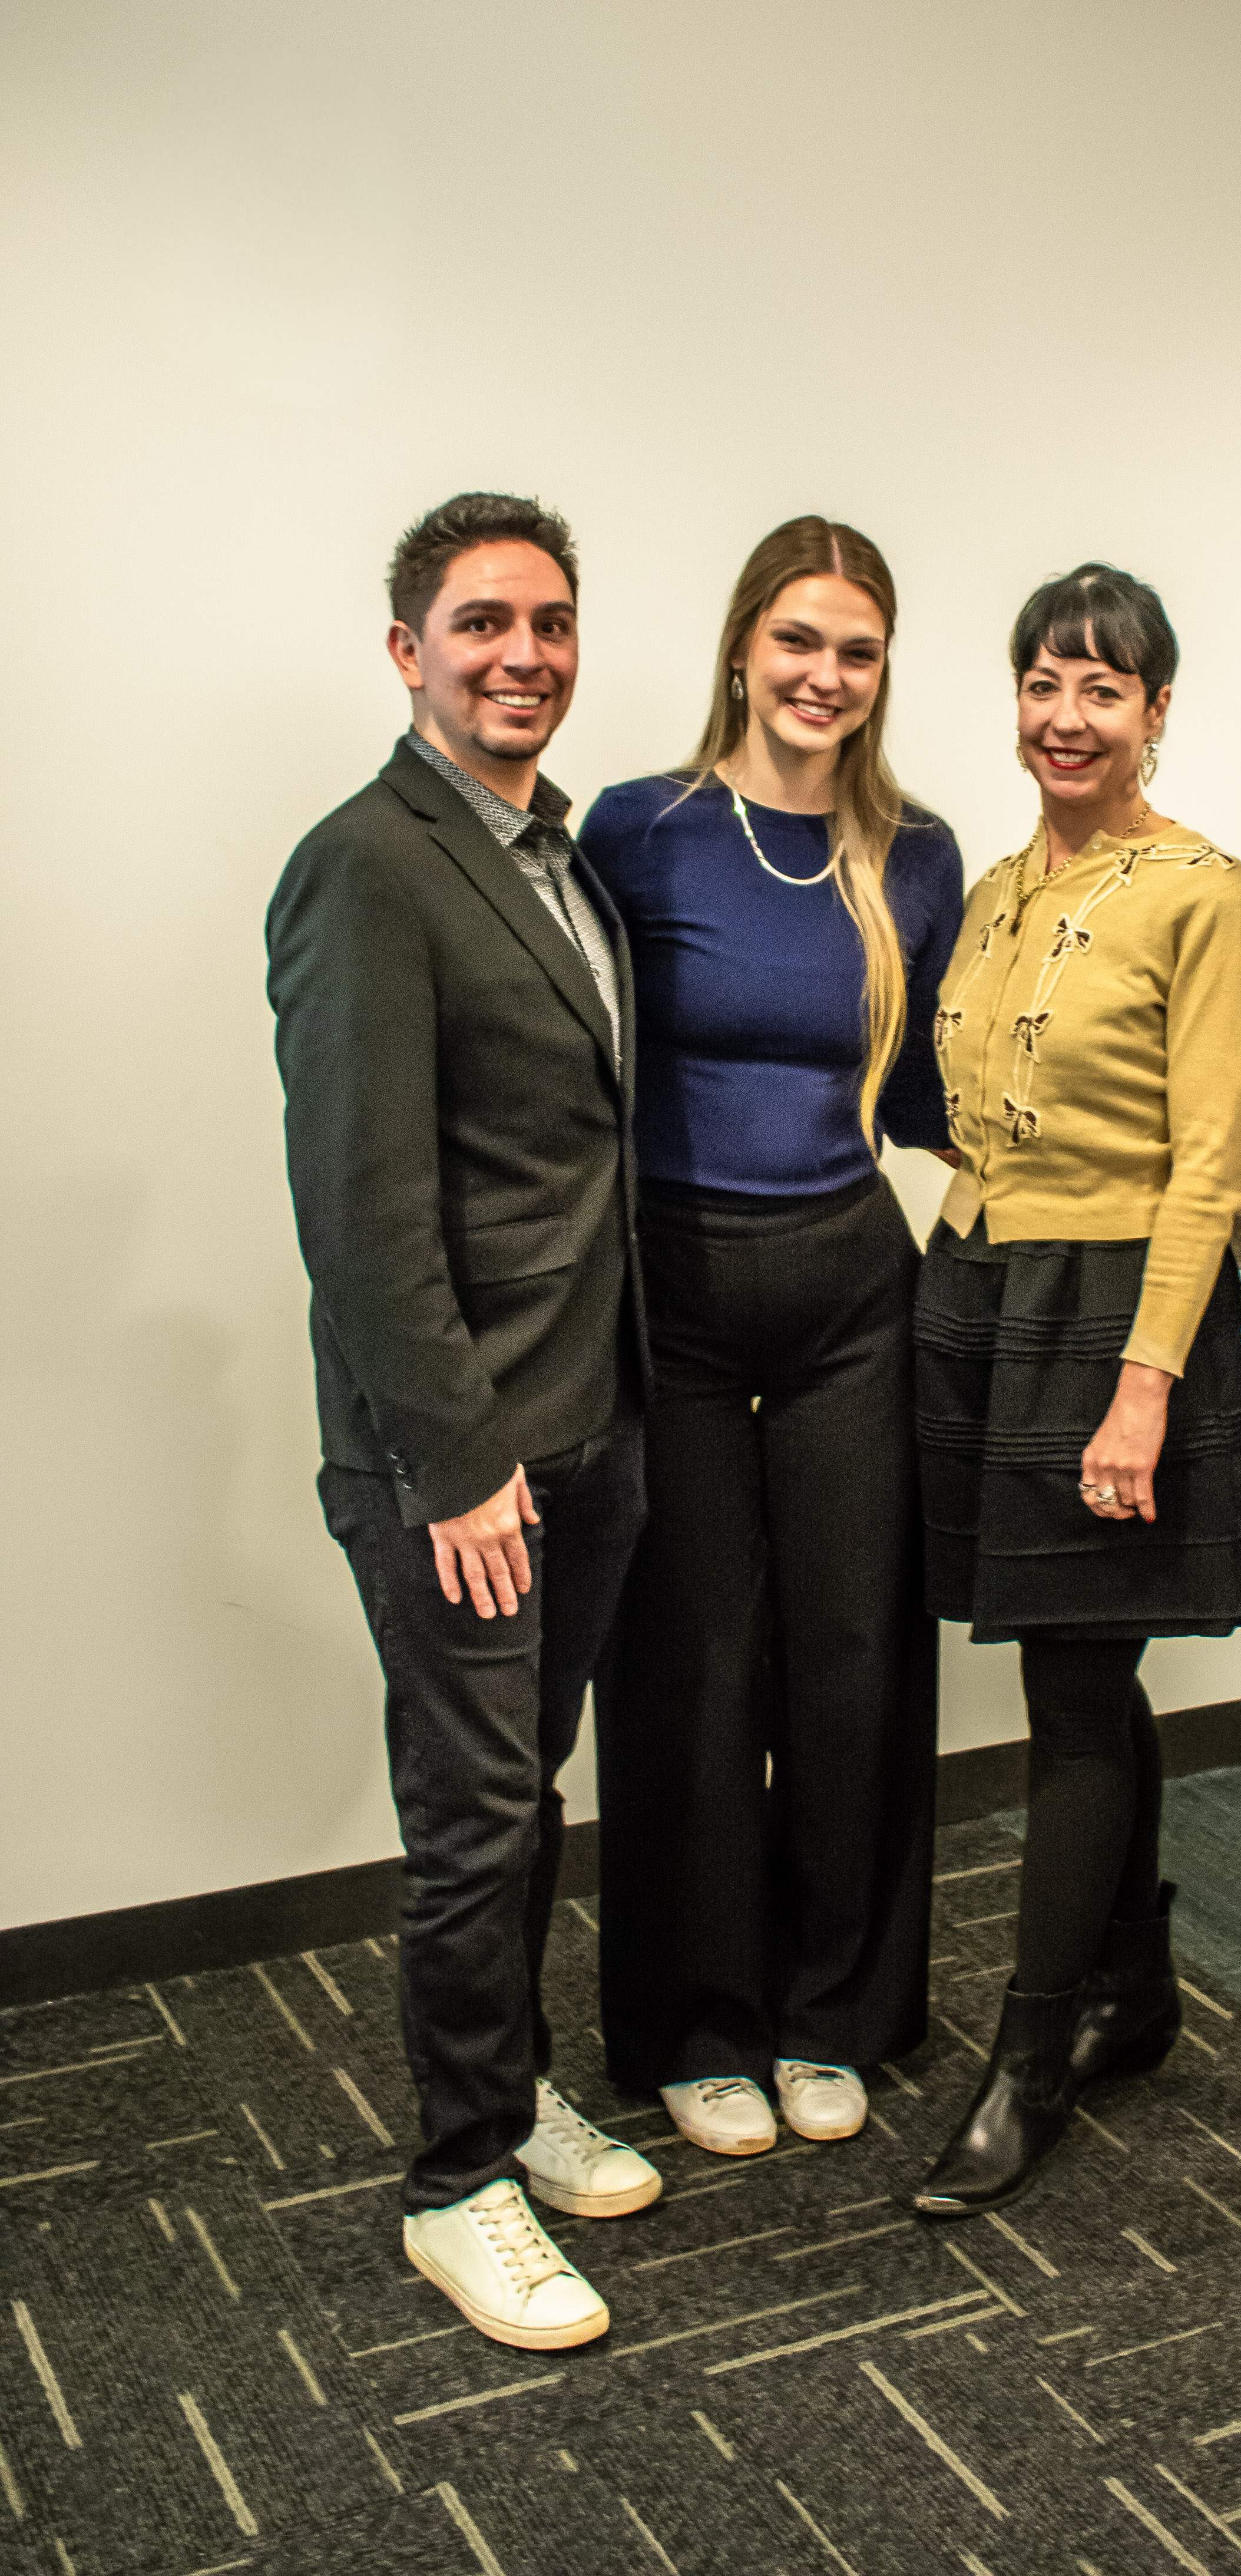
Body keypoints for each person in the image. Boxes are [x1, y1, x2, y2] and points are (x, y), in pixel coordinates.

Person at [267, 493, 662, 2353]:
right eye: (485, 622)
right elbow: (362, 1207)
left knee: (529, 1801)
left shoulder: (549, 853)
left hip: (589, 1423)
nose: (526, 655)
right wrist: (456, 1459)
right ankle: (453, 2183)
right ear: (408, 647)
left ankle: (511, 2098)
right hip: (463, 1457)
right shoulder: (369, 864)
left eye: (553, 623)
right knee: (475, 1815)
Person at [578, 516, 962, 2158]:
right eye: (798, 641)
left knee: (856, 1659)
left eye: (856, 651)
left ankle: (836, 2014)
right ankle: (696, 2027)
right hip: (666, 1290)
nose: (824, 676)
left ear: (882, 671)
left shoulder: (919, 853)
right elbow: (568, 1057)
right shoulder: (639, 829)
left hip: (848, 1296)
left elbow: (947, 1097)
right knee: (689, 1663)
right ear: (744, 646)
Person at [909, 562, 1241, 2215]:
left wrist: (1145, 1389)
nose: (1068, 718)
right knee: (1078, 1658)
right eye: (1045, 683)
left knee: (1070, 1688)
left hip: (1119, 1306)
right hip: (981, 1287)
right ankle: (1140, 1986)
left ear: (1157, 711)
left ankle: (1032, 2052)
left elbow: (1213, 1170)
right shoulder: (989, 890)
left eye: (1103, 690)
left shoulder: (1206, 894)